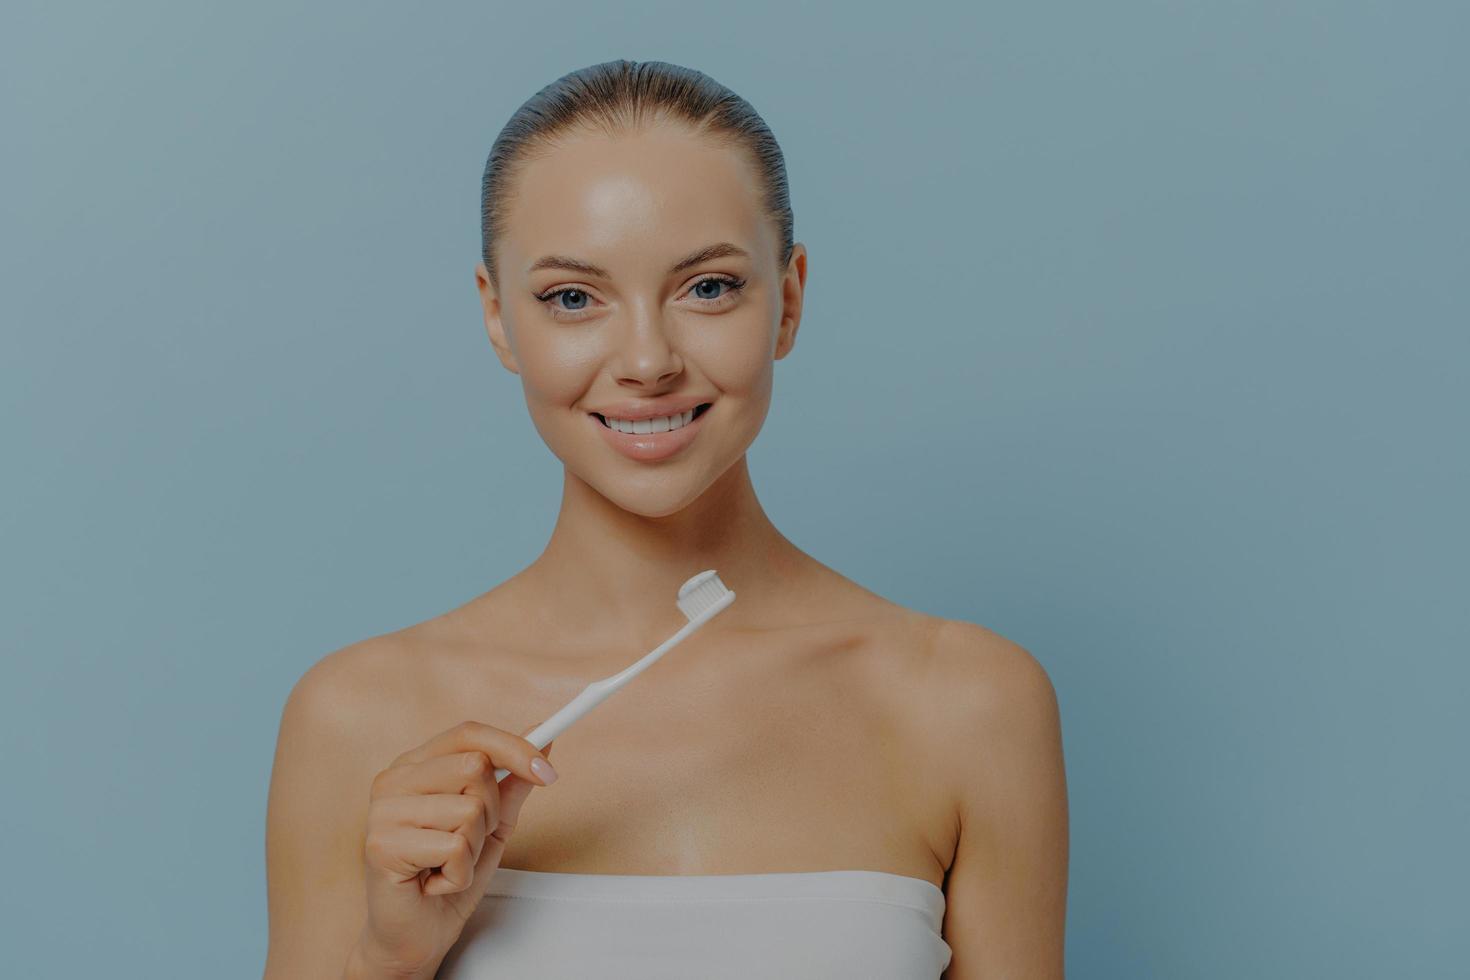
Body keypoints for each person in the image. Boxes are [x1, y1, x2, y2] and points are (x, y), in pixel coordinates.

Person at [264, 59, 1068, 979]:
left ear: (790, 299)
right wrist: (388, 958)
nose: (647, 361)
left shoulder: (967, 705)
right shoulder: (358, 717)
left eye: (709, 287)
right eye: (573, 298)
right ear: (497, 318)